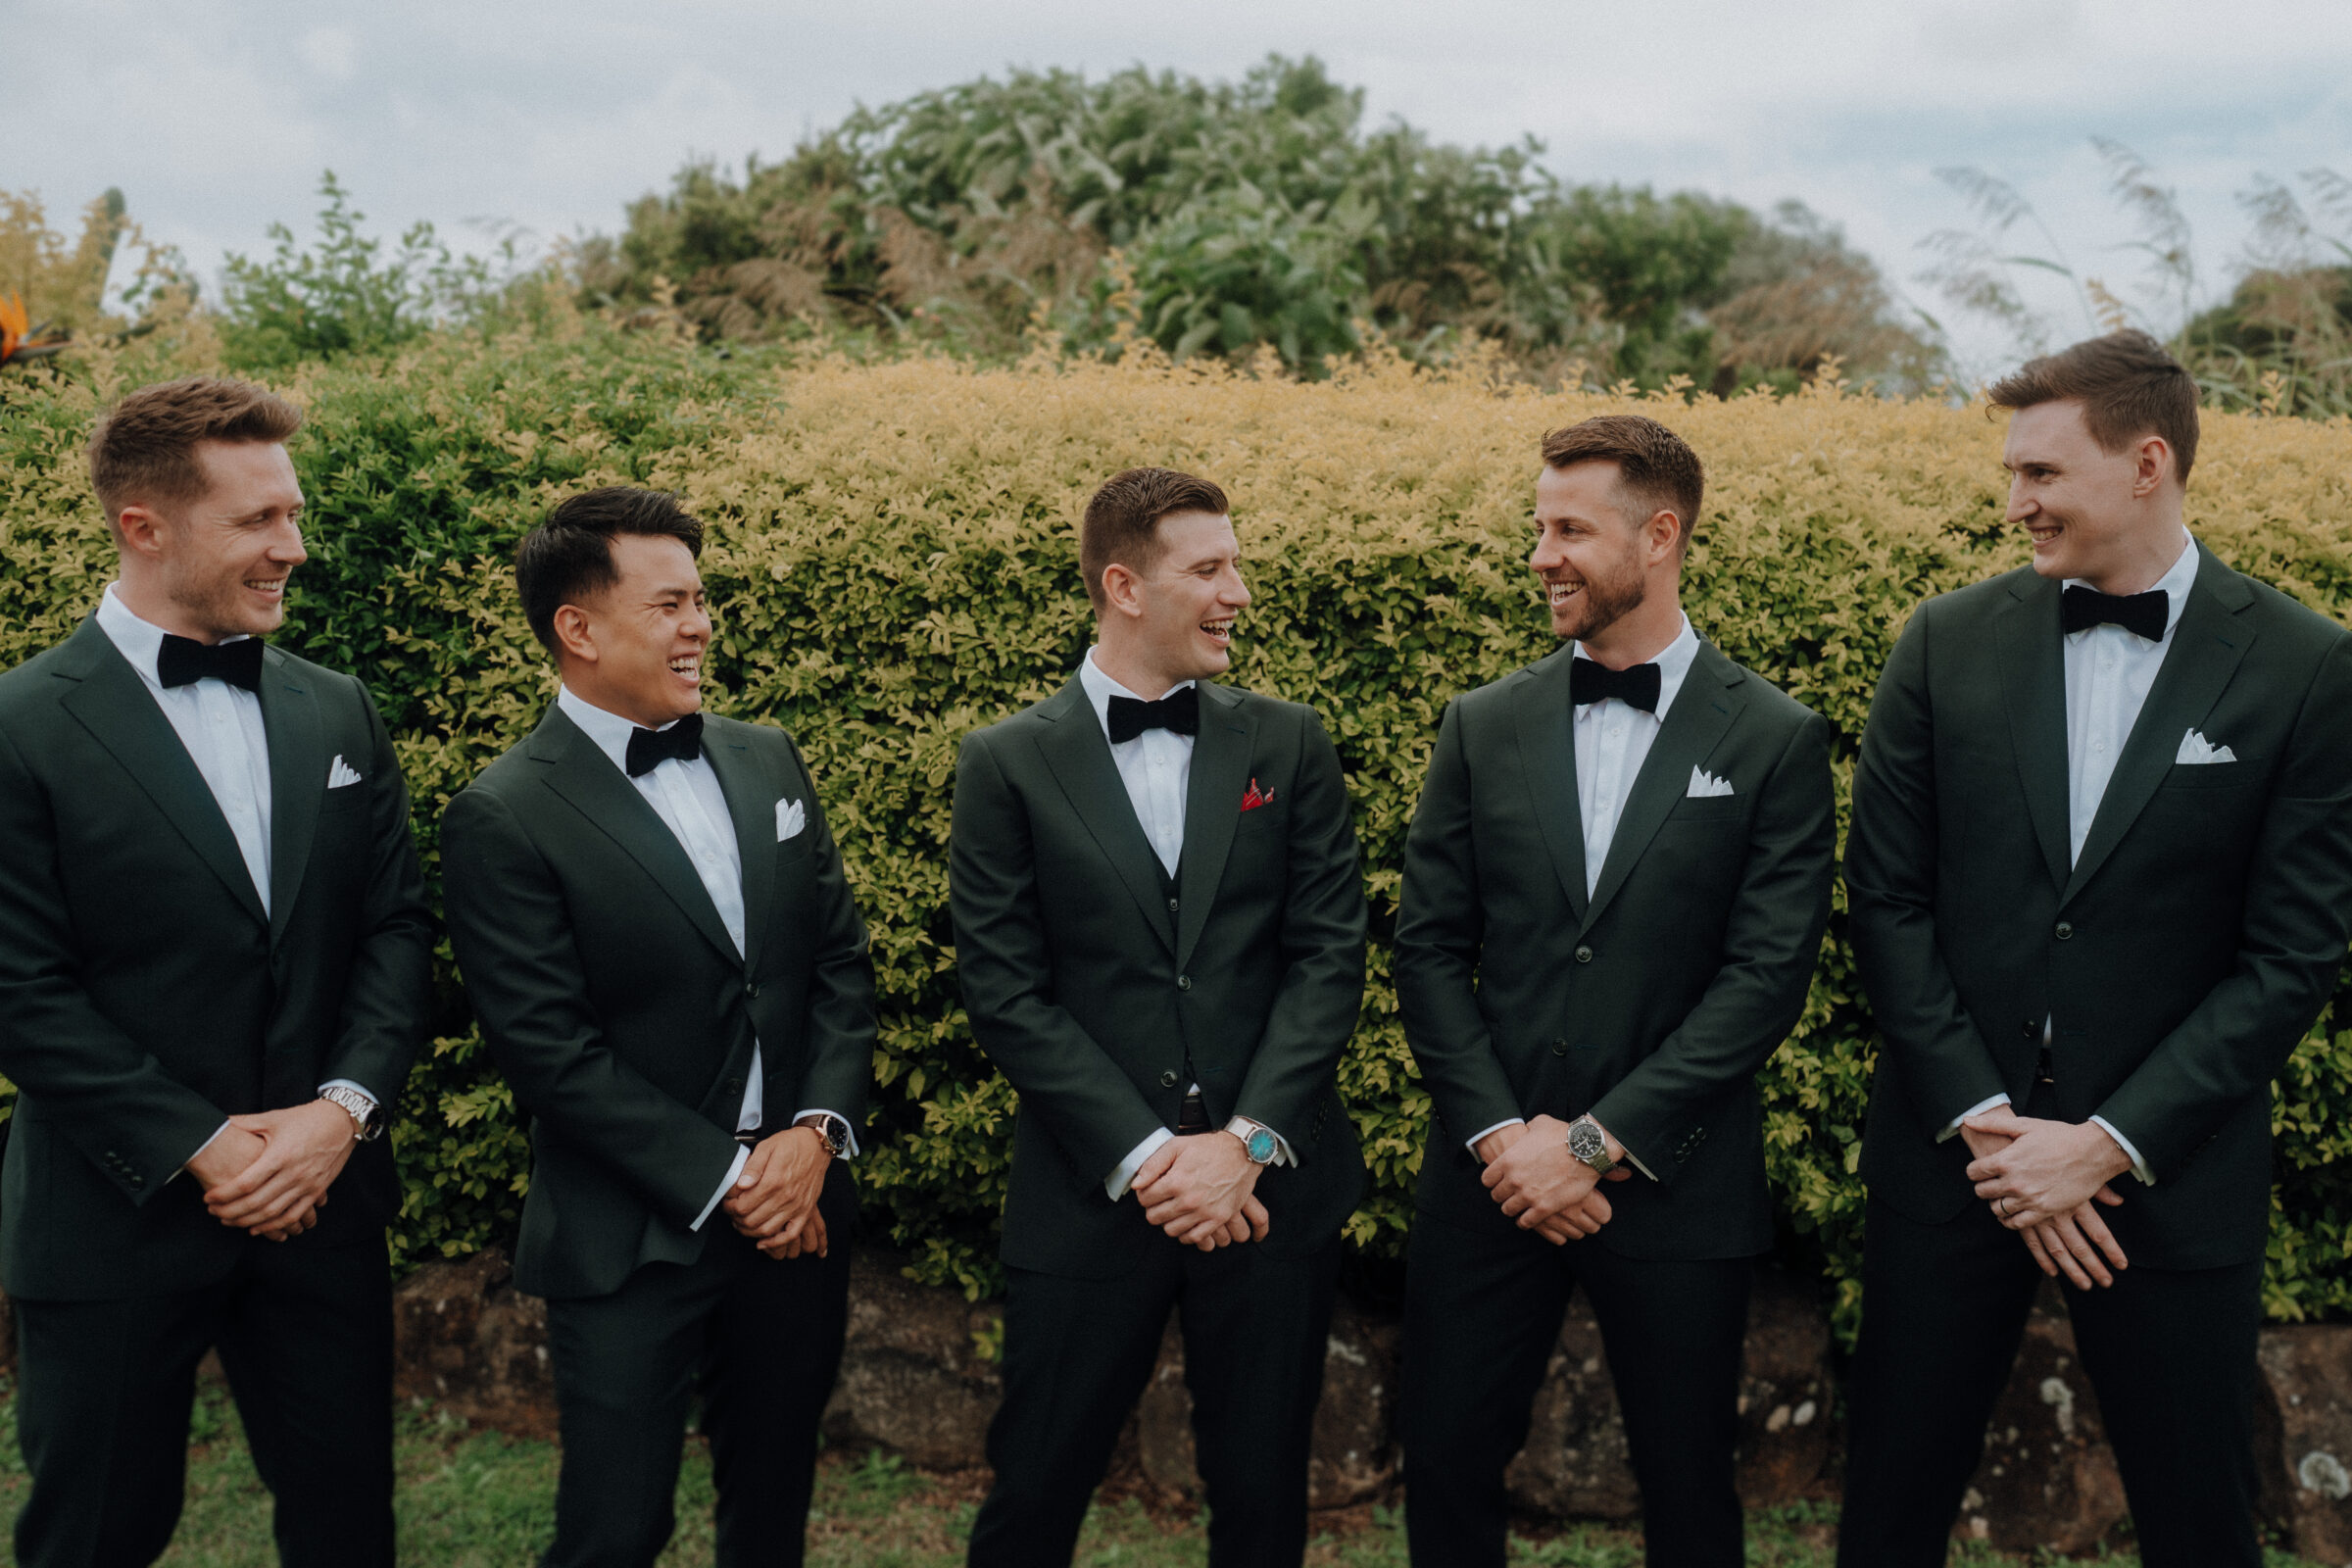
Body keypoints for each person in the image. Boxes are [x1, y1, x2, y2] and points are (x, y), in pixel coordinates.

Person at [1838, 330, 2352, 1567]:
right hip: (1955, 1169)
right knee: (1887, 1517)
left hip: (2164, 1189)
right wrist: (1991, 1127)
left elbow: (2291, 956)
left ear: (2148, 462)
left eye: (2042, 474)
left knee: (2199, 1524)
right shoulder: (1942, 641)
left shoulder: (2303, 666)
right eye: (2013, 473)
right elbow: (1885, 904)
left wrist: (2108, 1144)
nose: (2014, 502)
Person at [0, 376, 433, 1568]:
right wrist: (209, 1145)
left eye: (291, 514)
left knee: (349, 1532)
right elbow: (19, 990)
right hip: (109, 1219)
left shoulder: (338, 709)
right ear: (144, 525)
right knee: (93, 1535)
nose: (293, 546)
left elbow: (395, 934)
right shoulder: (21, 725)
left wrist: (337, 1118)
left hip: (321, 1209)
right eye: (259, 522)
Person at [1392, 415, 1838, 1567]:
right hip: (1487, 1181)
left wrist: (1593, 1144)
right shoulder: (1480, 725)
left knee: (1690, 1486)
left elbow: (1764, 976)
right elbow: (1429, 950)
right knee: (1442, 1461)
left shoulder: (1776, 737)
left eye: (1570, 530)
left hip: (1676, 1183)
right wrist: (1504, 1138)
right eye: (1539, 527)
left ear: (1662, 532)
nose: (1542, 553)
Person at [440, 486, 874, 1568]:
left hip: (800, 1219)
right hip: (628, 1238)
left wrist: (813, 1135)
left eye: (701, 598)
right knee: (614, 1528)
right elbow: (550, 1053)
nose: (700, 624)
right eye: (670, 602)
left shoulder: (766, 754)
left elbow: (835, 963)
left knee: (770, 1514)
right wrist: (738, 1182)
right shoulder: (502, 812)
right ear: (577, 629)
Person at [950, 466, 1367, 1568]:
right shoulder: (1005, 761)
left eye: (1237, 563)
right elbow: (1005, 987)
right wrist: (1148, 1158)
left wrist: (1243, 1144)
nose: (1238, 590)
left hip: (1268, 1196)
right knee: (1034, 1489)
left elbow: (1328, 957)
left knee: (1265, 1500)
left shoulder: (1289, 741)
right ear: (1125, 585)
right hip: (1087, 1199)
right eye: (1210, 568)